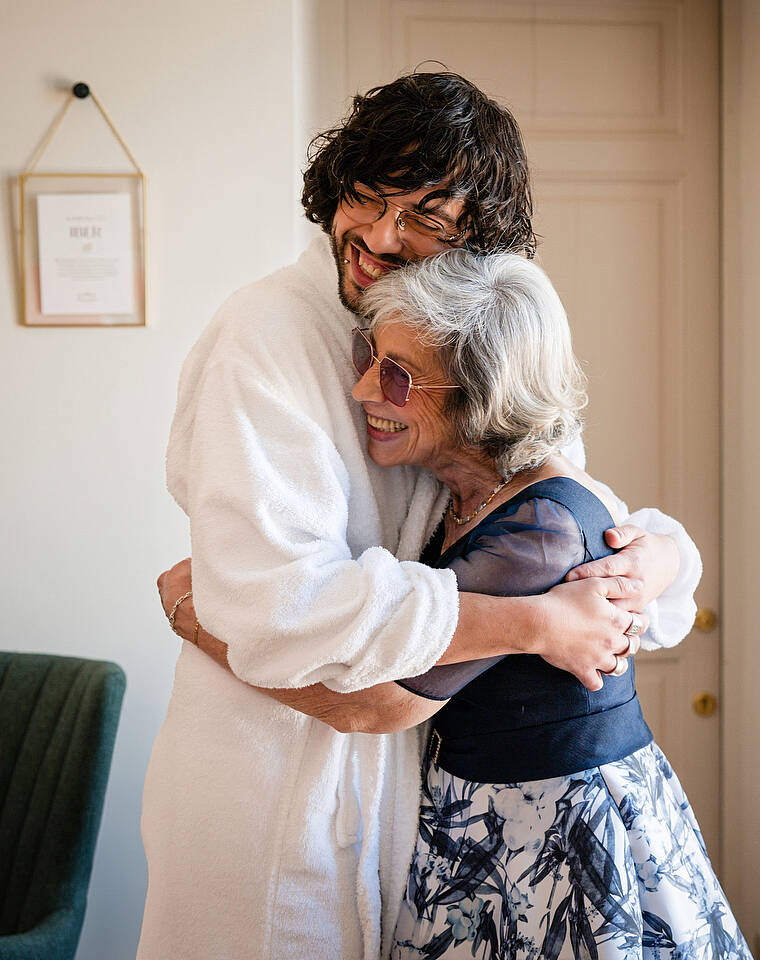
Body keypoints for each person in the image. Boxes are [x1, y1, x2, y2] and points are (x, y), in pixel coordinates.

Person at [138, 72, 702, 960]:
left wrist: (656, 559)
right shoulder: (264, 338)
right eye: (364, 199)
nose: (375, 239)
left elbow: (565, 514)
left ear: (480, 247)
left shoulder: (476, 340)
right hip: (274, 792)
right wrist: (534, 623)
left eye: (426, 223)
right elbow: (282, 609)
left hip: (417, 805)